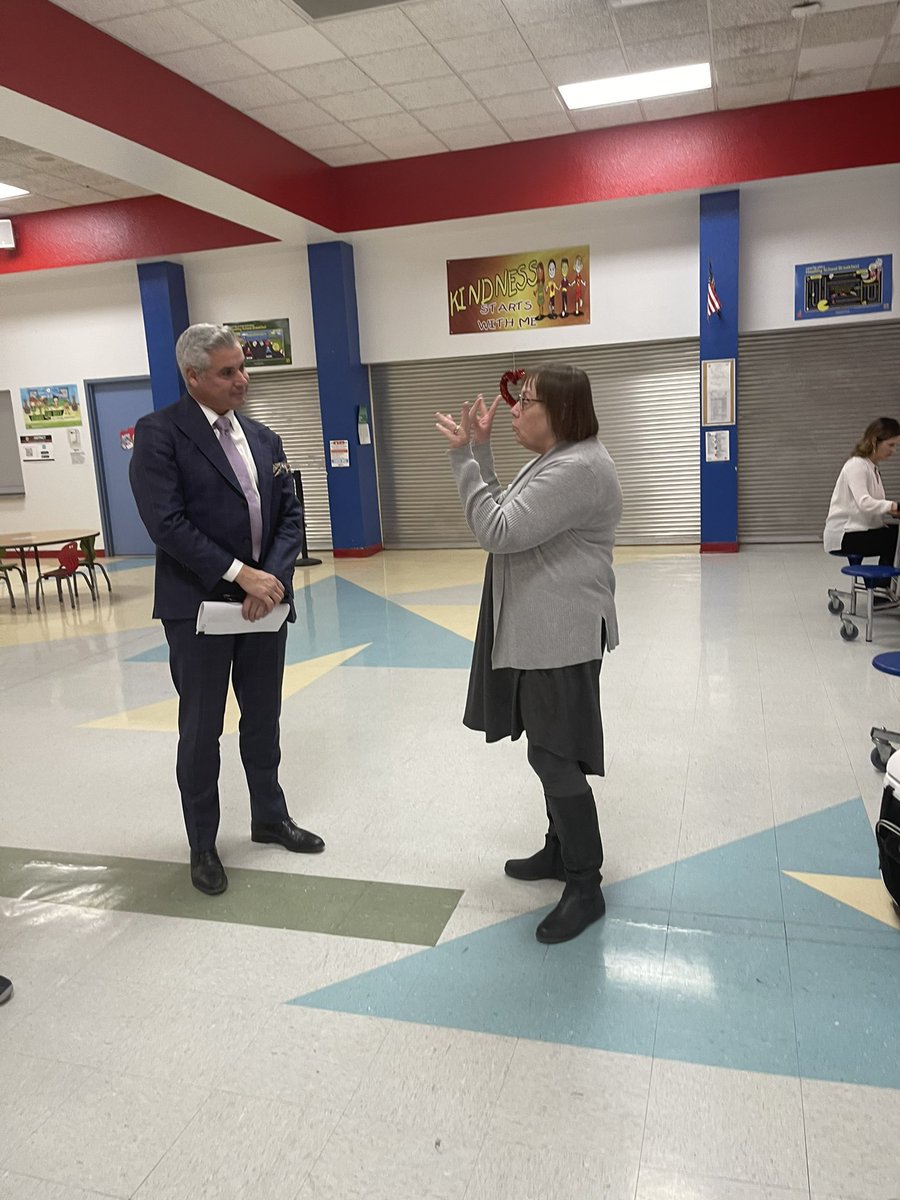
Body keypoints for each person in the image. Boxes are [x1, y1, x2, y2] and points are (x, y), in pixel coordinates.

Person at [130, 323, 324, 896]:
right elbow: (166, 524)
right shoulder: (160, 434)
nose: (243, 379)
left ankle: (269, 817)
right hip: (200, 611)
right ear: (193, 377)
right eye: (227, 372)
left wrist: (273, 581)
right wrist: (241, 576)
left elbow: (292, 515)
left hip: (264, 606)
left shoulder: (263, 438)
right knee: (202, 729)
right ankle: (203, 845)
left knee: (263, 718)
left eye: (243, 367)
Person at [435, 364, 622, 944]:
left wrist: (465, 458)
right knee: (546, 746)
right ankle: (559, 850)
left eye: (526, 401)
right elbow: (510, 514)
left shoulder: (576, 468)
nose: (513, 408)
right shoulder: (558, 460)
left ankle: (585, 884)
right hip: (542, 631)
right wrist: (484, 454)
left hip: (559, 636)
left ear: (561, 412)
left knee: (555, 755)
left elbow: (497, 529)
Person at [824, 417, 900, 566]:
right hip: (844, 535)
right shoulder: (857, 465)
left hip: (858, 531)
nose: (894, 451)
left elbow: (873, 505)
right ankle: (883, 582)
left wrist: (892, 511)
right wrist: (893, 506)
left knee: (894, 532)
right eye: (890, 445)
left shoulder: (872, 467)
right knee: (892, 538)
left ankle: (884, 583)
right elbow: (864, 502)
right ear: (874, 441)